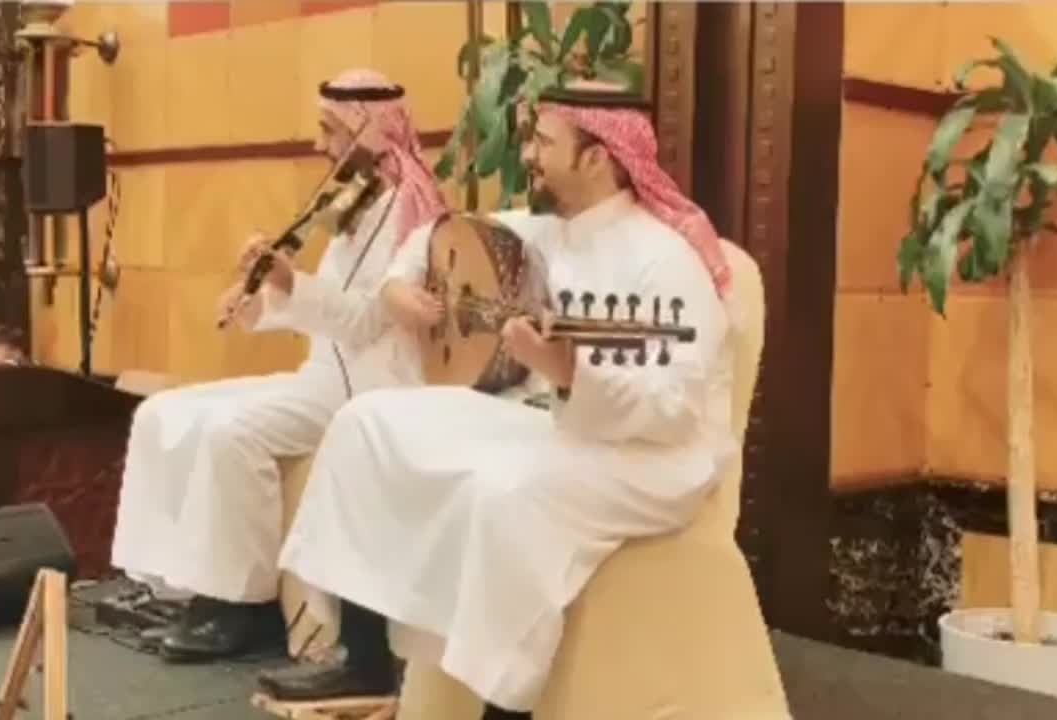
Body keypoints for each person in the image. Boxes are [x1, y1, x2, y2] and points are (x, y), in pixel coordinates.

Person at [258, 83, 743, 719]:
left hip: (652, 457)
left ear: (598, 157)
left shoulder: (664, 260)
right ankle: (367, 663)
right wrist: (401, 285)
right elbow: (432, 232)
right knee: (367, 421)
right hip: (548, 422)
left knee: (507, 494)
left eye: (543, 142)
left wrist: (573, 375)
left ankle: (504, 707)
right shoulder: (547, 232)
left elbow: (674, 406)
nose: (529, 156)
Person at [108, 68, 447, 664]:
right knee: (162, 411)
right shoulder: (354, 199)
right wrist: (258, 302)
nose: (319, 143)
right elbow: (327, 309)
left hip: (369, 390)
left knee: (232, 434)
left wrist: (291, 284)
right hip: (324, 376)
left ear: (365, 127)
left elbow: (365, 322)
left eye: (329, 129)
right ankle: (174, 587)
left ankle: (239, 606)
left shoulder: (404, 210)